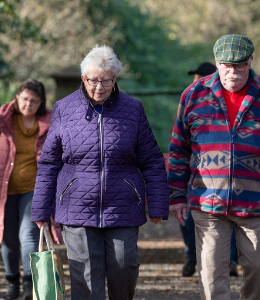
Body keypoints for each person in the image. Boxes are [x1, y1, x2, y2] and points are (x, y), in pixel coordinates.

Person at [167, 34, 260, 300]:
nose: (232, 72)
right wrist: (176, 195)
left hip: (258, 200)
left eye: (239, 65)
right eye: (226, 65)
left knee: (259, 267)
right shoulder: (194, 95)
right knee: (211, 273)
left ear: (250, 61)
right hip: (208, 200)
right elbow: (179, 149)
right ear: (217, 63)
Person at [31, 45, 169, 300]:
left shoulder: (133, 109)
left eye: (106, 80)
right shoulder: (64, 108)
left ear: (115, 79)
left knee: (124, 267)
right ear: (83, 78)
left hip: (123, 205)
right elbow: (49, 162)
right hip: (76, 204)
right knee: (85, 274)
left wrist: (159, 204)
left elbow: (151, 159)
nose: (99, 86)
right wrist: (41, 209)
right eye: (93, 80)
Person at [0, 79, 62, 300]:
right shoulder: (1, 122)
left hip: (36, 190)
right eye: (24, 99)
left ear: (41, 102)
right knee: (9, 239)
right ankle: (12, 281)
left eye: (34, 100)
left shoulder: (50, 124)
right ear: (17, 98)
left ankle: (29, 287)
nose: (28, 104)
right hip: (2, 191)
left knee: (29, 234)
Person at [182, 62, 242, 278]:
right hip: (193, 172)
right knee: (189, 219)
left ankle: (231, 259)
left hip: (223, 174)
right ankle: (192, 257)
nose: (195, 80)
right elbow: (178, 138)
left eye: (199, 76)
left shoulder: (218, 103)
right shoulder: (189, 100)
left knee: (229, 219)